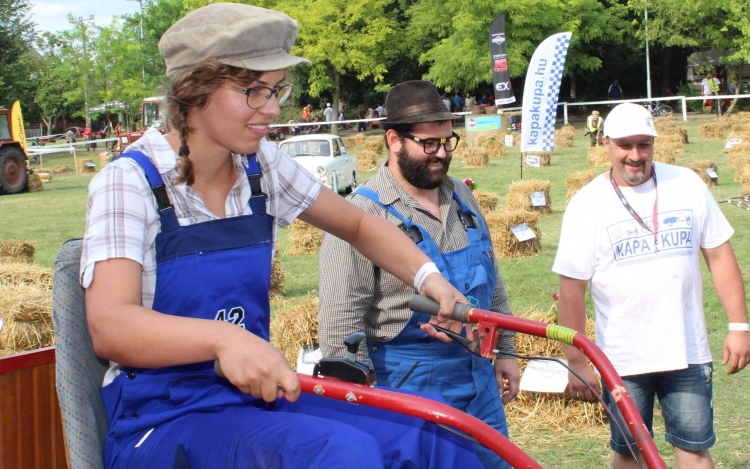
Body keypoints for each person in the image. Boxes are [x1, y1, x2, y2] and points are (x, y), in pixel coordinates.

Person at [80, 5, 486, 469]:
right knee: (342, 451)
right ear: (194, 91)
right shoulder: (130, 182)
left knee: (428, 434)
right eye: (253, 91)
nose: (271, 108)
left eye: (276, 90)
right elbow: (109, 326)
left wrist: (429, 277)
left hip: (255, 398)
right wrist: (222, 340)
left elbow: (355, 223)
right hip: (162, 418)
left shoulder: (262, 165)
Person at [318, 80, 520, 469]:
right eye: (429, 144)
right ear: (394, 140)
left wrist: (506, 350)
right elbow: (342, 327)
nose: (442, 154)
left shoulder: (462, 195)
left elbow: (492, 282)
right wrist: (364, 407)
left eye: (447, 141)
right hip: (408, 391)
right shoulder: (359, 216)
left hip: (480, 384)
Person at [553, 102, 750, 469]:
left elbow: (720, 255)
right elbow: (571, 289)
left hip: (687, 350)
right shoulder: (586, 204)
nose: (635, 155)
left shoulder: (687, 184)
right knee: (630, 452)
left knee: (694, 450)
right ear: (606, 143)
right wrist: (576, 358)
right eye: (625, 145)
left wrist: (740, 326)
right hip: (622, 358)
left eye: (644, 144)